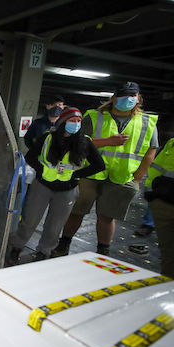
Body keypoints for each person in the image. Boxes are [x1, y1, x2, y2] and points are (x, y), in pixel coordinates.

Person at [52, 82, 159, 257]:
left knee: (106, 216)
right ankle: (64, 244)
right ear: (114, 98)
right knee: (76, 211)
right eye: (124, 96)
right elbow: (77, 141)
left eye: (133, 96)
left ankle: (103, 252)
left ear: (139, 98)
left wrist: (138, 178)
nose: (129, 99)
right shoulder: (94, 116)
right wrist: (108, 141)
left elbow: (150, 152)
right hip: (89, 173)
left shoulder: (148, 122)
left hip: (121, 177)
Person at [7, 107, 105, 265]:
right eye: (72, 120)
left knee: (55, 225)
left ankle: (43, 252)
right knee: (30, 220)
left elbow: (99, 165)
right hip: (42, 186)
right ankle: (16, 248)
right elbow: (30, 157)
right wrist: (42, 171)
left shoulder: (84, 142)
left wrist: (76, 175)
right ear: (63, 121)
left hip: (67, 190)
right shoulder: (47, 138)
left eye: (79, 121)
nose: (76, 124)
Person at [144, 137, 174, 277]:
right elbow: (156, 168)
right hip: (164, 204)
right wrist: (152, 195)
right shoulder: (172, 142)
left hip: (163, 201)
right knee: (168, 255)